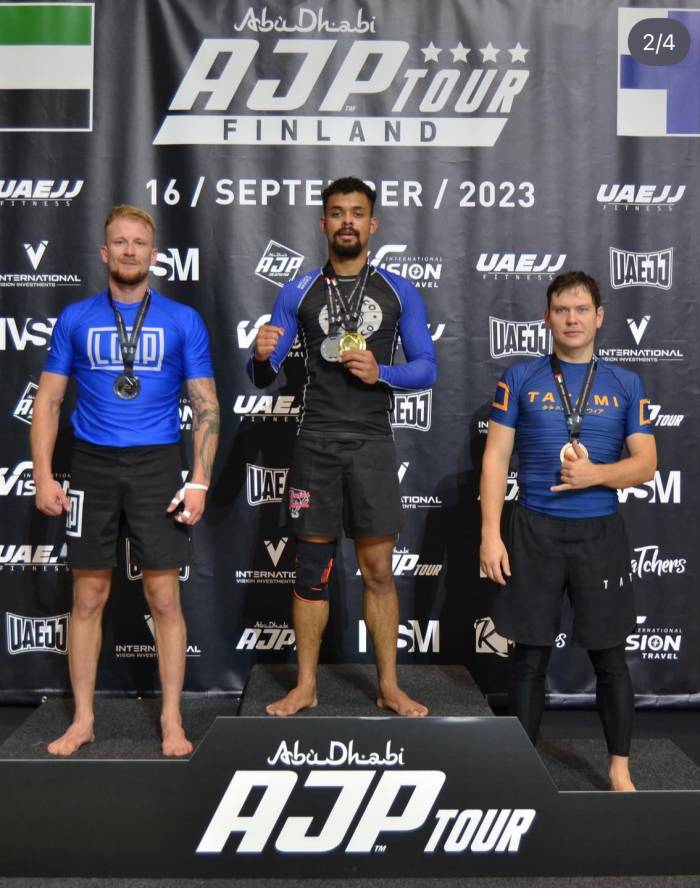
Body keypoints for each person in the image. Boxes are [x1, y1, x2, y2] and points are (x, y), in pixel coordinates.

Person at [31, 205, 219, 757]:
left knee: (164, 597)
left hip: (156, 465)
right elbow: (48, 401)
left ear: (153, 255)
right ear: (104, 252)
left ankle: (171, 720)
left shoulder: (183, 320)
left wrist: (199, 480)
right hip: (91, 464)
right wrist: (42, 474)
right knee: (88, 596)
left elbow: (206, 406)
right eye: (120, 242)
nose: (130, 251)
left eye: (139, 243)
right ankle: (83, 720)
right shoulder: (76, 318)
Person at [249, 177, 437, 717]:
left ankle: (389, 687)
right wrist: (259, 355)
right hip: (316, 442)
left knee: (378, 571)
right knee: (311, 570)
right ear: (324, 223)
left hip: (373, 442)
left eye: (357, 212)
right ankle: (305, 686)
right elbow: (262, 375)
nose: (347, 221)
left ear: (372, 224)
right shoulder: (298, 290)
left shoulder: (399, 290)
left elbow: (427, 368)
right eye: (337, 212)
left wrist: (383, 373)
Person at [479, 270, 656, 791]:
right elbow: (495, 458)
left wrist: (595, 475)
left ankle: (619, 769)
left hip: (598, 533)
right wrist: (491, 534)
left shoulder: (626, 383)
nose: (572, 319)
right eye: (561, 310)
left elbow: (646, 464)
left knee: (610, 658)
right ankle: (522, 769)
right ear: (547, 318)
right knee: (530, 656)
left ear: (599, 317)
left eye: (581, 310)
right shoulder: (520, 376)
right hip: (533, 530)